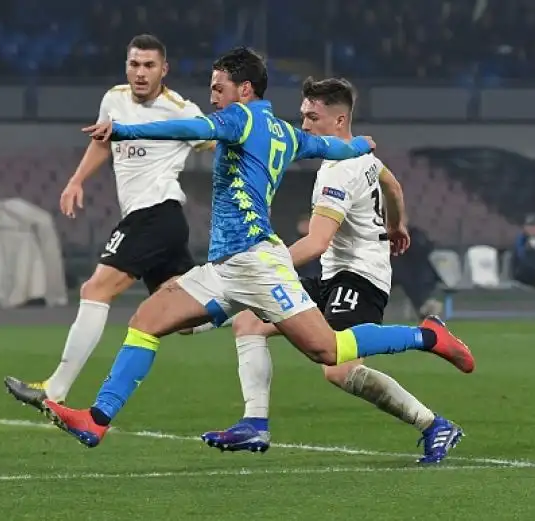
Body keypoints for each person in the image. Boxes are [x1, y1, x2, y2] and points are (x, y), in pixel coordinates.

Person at [41, 47, 474, 449]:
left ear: (244, 89)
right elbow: (327, 146)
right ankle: (98, 419)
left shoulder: (239, 119)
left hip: (256, 262)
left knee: (330, 350)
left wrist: (124, 130)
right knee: (147, 319)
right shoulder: (285, 132)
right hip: (226, 266)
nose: (213, 97)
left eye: (219, 88)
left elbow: (191, 128)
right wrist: (361, 145)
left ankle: (427, 336)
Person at [197, 77, 464, 464]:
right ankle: (254, 423)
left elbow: (316, 243)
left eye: (312, 117)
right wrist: (396, 225)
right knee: (249, 323)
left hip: (360, 278)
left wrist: (260, 268)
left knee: (337, 367)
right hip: (333, 277)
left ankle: (429, 365)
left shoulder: (338, 170)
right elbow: (393, 186)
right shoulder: (364, 156)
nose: (303, 125)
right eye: (303, 116)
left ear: (339, 120)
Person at [3, 34, 214, 410]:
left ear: (164, 69)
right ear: (126, 67)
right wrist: (77, 180)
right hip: (155, 220)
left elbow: (218, 141)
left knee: (95, 289)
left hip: (156, 214)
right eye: (134, 64)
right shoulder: (113, 100)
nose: (140, 72)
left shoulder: (180, 110)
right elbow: (103, 141)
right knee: (183, 318)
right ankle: (249, 303)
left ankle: (54, 390)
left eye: (149, 65)